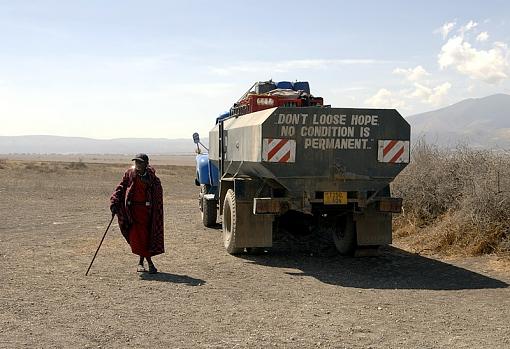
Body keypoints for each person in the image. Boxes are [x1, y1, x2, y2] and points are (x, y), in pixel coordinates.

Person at [110, 153, 164, 274]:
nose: (138, 164)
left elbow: (157, 193)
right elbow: (121, 187)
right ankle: (149, 263)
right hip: (131, 212)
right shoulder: (130, 173)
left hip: (147, 212)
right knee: (137, 237)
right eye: (136, 162)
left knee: (145, 237)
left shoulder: (152, 177)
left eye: (140, 162)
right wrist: (114, 202)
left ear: (146, 164)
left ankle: (141, 262)